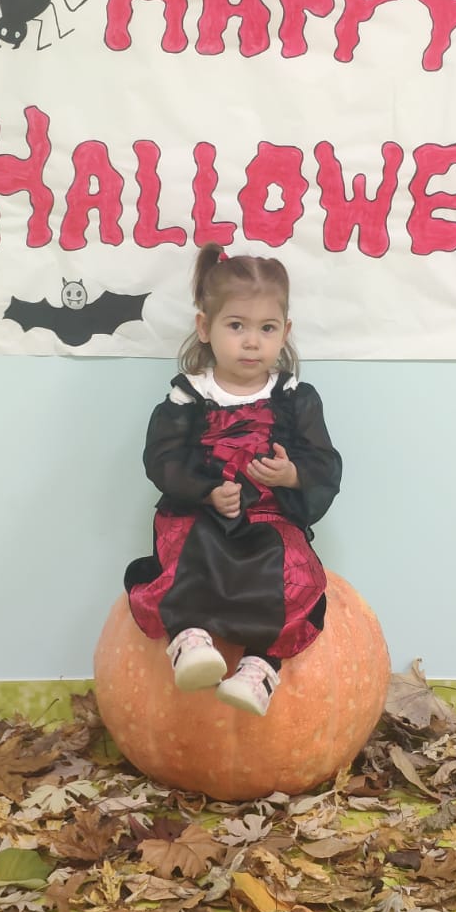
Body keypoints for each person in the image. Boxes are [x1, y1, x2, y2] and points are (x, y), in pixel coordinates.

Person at [124, 243, 342, 716]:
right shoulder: (189, 397)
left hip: (269, 520)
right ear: (205, 328)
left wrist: (292, 474)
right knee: (186, 554)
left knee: (295, 574)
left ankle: (259, 667)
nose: (251, 342)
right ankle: (190, 639)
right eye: (236, 326)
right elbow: (162, 459)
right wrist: (206, 491)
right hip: (201, 514)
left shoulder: (295, 398)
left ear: (285, 332)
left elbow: (324, 461)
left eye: (267, 328)